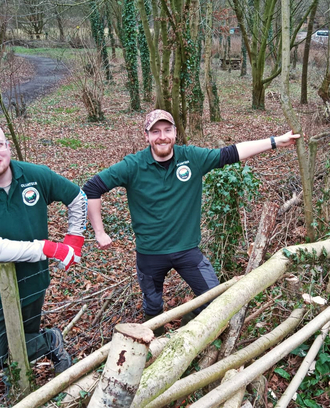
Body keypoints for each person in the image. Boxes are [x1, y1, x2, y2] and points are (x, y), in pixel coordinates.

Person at [83, 109, 299, 335]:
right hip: (150, 253)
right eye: (155, 131)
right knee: (153, 306)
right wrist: (99, 231)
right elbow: (92, 188)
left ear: (175, 133)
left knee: (213, 298)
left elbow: (232, 153)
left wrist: (276, 141)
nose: (162, 136)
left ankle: (187, 329)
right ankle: (154, 345)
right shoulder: (133, 165)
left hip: (187, 250)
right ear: (146, 136)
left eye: (167, 130)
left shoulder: (191, 158)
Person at [0, 120, 87, 373]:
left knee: (23, 340)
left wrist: (74, 238)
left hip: (33, 282)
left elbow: (77, 197)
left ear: (8, 146)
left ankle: (23, 381)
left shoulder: (34, 175)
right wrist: (48, 248)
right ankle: (51, 340)